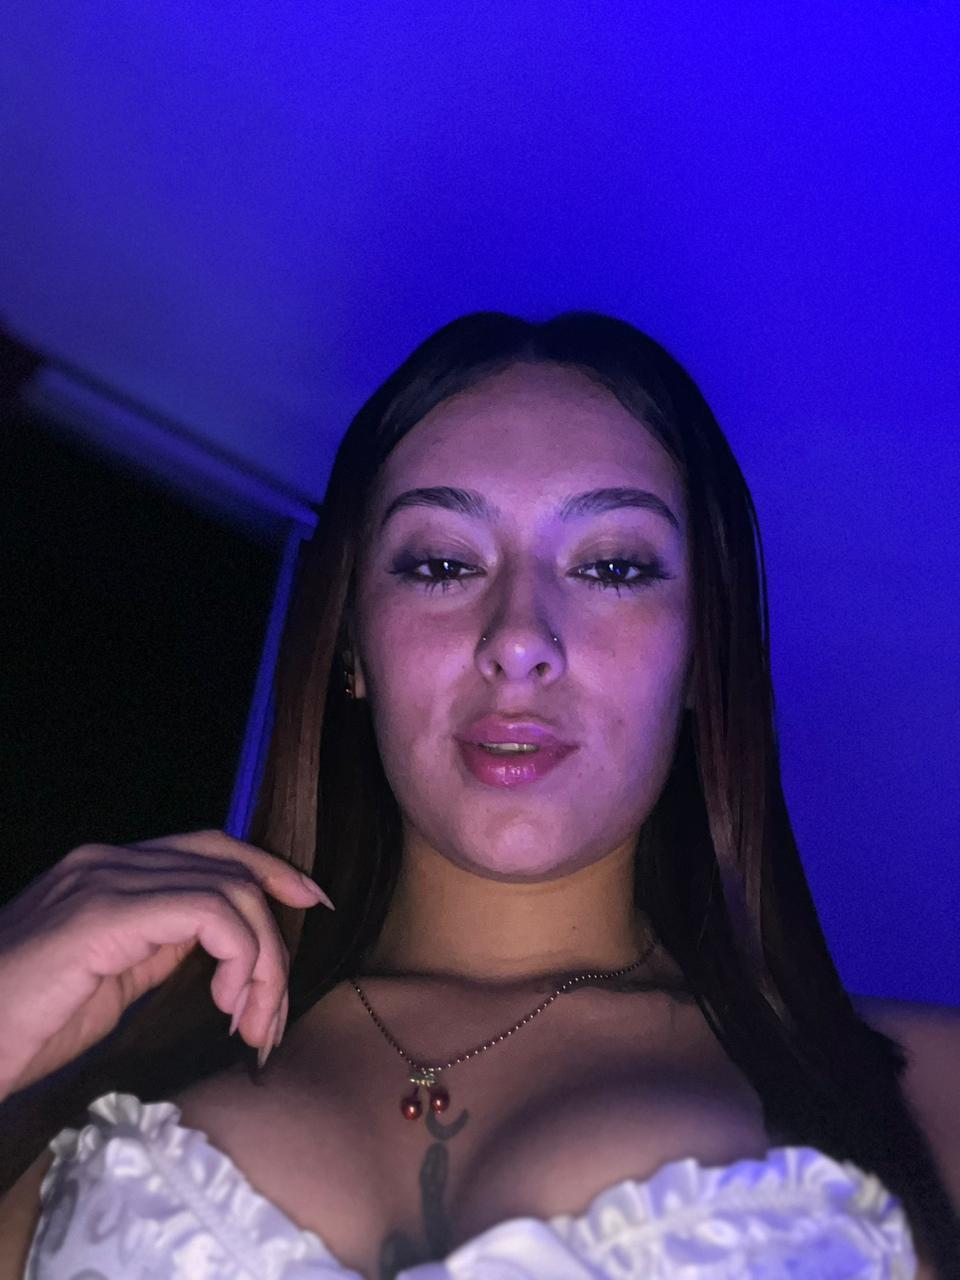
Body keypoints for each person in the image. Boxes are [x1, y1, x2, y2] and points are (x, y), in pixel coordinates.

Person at [0, 311, 956, 1278]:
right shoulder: (85, 1070)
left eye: (612, 567)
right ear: (351, 643)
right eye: (443, 565)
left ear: (703, 652)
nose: (518, 639)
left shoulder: (929, 1099)